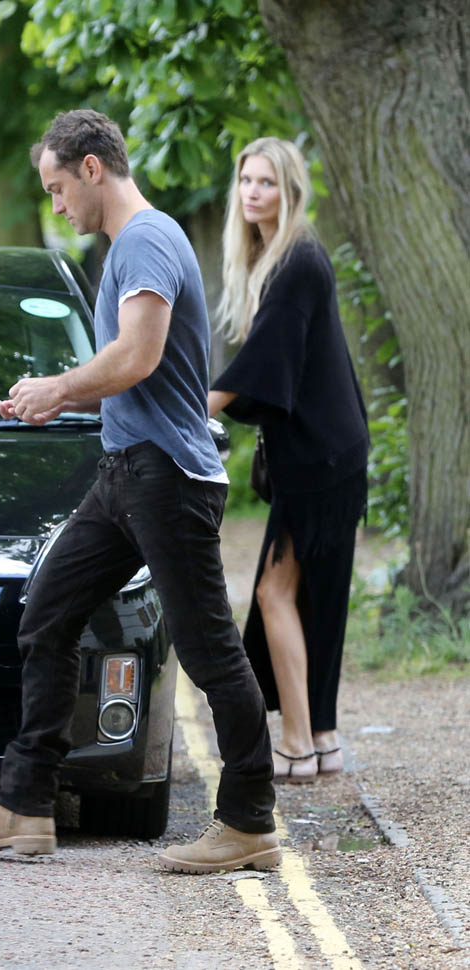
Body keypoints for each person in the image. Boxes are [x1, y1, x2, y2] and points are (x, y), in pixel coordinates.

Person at [0, 109, 281, 873]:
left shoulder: (146, 238)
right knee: (47, 613)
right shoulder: (130, 245)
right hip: (125, 472)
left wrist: (59, 387)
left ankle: (249, 820)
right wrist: (53, 397)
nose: (56, 206)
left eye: (57, 188)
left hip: (168, 477)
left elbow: (137, 356)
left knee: (208, 650)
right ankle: (24, 803)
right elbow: (130, 374)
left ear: (92, 169)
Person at [209, 137, 368, 783]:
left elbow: (266, 357)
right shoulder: (283, 257)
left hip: (321, 459)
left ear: (291, 191)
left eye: (267, 182)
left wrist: (197, 409)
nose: (253, 192)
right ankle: (322, 739)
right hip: (327, 453)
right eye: (247, 180)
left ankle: (298, 744)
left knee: (275, 591)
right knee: (310, 597)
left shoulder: (298, 258)